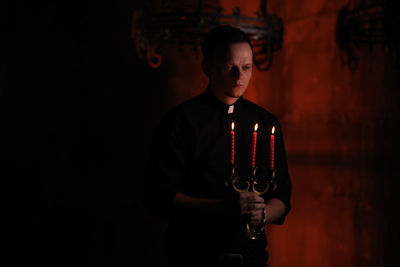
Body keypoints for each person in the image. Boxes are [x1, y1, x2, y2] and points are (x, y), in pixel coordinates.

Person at [144, 25, 292, 267]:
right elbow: (158, 198)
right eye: (228, 67)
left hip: (252, 260)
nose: (238, 76)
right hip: (194, 259)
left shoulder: (266, 124)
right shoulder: (180, 122)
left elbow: (282, 197)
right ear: (207, 68)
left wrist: (263, 213)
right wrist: (225, 208)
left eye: (246, 67)